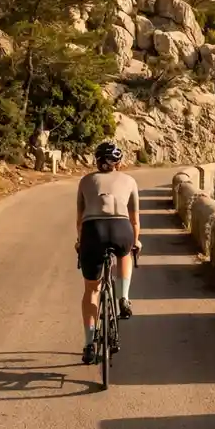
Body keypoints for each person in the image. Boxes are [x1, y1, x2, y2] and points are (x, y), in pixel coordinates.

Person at [75, 140, 142, 365]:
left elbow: (79, 220)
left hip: (93, 231)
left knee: (91, 290)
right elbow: (134, 220)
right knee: (125, 253)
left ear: (96, 160)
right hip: (121, 228)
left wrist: (80, 242)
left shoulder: (85, 181)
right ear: (118, 162)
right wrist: (136, 241)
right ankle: (123, 297)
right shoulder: (130, 180)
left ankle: (88, 344)